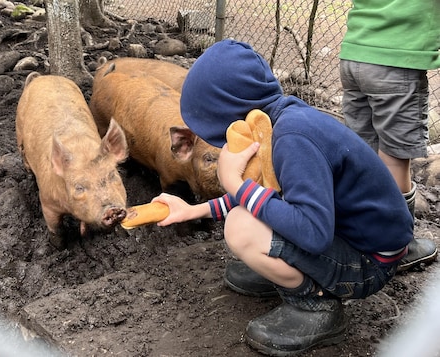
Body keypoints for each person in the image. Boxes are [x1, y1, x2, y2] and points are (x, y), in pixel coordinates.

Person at [152, 39, 413, 356]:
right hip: (353, 237)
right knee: (249, 214)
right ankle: (289, 270)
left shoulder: (293, 140)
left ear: (228, 114)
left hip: (371, 262)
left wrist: (235, 184)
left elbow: (313, 234)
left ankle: (314, 305)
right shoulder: (279, 121)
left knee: (240, 227)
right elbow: (268, 193)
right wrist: (193, 211)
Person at [339, 0, 440, 272]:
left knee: (362, 154)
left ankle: (357, 234)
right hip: (396, 61)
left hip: (354, 54)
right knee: (394, 159)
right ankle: (395, 248)